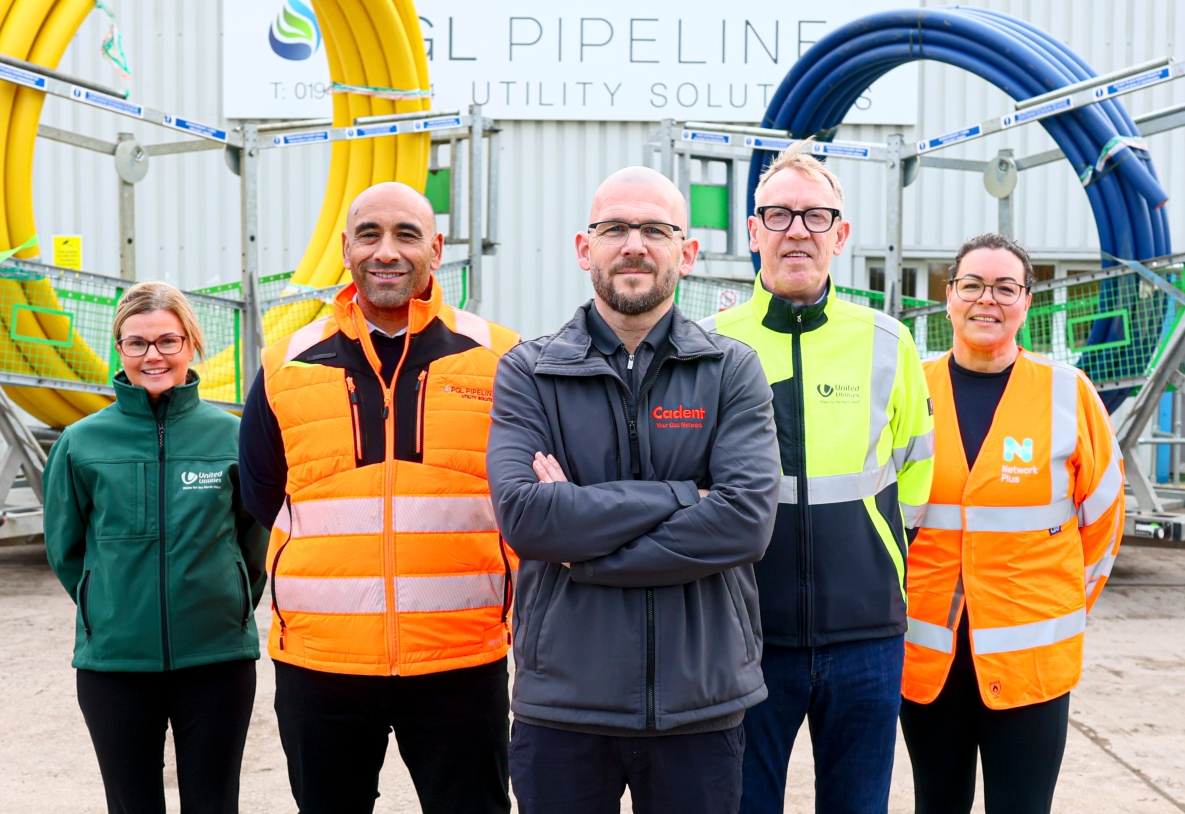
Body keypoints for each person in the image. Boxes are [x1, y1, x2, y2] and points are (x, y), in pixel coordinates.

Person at [488, 166, 781, 814]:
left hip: (698, 705)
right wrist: (684, 496)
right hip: (562, 705)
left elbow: (744, 521)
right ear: (583, 247)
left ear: (688, 251)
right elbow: (529, 519)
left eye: (654, 229)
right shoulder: (529, 371)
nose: (633, 245)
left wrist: (584, 546)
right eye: (614, 228)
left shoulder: (729, 369)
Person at [239, 182, 520, 813]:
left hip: (461, 657)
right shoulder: (286, 364)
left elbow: (526, 494)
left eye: (406, 235)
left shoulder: (500, 357)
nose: (386, 252)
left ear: (436, 250)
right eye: (369, 234)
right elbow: (262, 492)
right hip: (321, 662)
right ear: (345, 248)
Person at [702, 140, 936, 814]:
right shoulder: (712, 346)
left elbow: (915, 466)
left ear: (841, 233)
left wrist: (884, 559)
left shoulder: (888, 341)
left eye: (813, 215)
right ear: (752, 233)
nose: (796, 230)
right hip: (746, 637)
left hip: (866, 637)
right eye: (777, 215)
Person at [901, 233, 1125, 814]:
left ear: (1027, 301)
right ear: (949, 297)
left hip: (1032, 660)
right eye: (972, 285)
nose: (987, 300)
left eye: (1005, 287)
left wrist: (1059, 608)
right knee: (936, 803)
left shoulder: (1066, 392)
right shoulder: (910, 387)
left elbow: (1102, 519)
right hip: (930, 657)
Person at [44, 281, 267, 814]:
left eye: (168, 341)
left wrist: (230, 600)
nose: (153, 356)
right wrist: (109, 605)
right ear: (119, 350)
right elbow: (66, 548)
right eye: (137, 343)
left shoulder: (232, 436)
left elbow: (254, 541)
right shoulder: (81, 442)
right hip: (115, 665)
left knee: (214, 804)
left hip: (216, 659)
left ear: (191, 344)